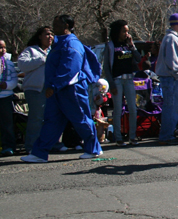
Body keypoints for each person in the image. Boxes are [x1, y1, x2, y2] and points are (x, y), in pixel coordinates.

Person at [21, 15, 104, 163]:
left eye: (56, 24)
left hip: (71, 89)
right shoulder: (60, 43)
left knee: (81, 119)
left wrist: (54, 86)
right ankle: (39, 153)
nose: (53, 28)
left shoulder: (72, 44)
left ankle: (93, 149)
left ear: (66, 25)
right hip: (59, 89)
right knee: (52, 121)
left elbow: (70, 67)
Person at [103, 19, 142, 146]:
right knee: (118, 109)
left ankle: (132, 136)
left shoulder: (128, 44)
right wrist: (111, 84)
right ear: (117, 31)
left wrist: (132, 45)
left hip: (129, 79)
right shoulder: (110, 46)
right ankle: (118, 137)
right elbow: (107, 67)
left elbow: (138, 58)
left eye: (127, 31)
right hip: (117, 81)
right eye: (124, 31)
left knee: (133, 108)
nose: (126, 33)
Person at [17, 26, 54, 153]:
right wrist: (42, 59)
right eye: (47, 34)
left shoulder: (53, 51)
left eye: (51, 34)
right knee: (36, 118)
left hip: (51, 89)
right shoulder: (31, 50)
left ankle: (49, 144)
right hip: (35, 89)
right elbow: (22, 65)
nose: (50, 37)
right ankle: (31, 146)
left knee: (50, 118)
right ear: (40, 36)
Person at [155, 14, 178, 145]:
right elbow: (172, 60)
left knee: (171, 106)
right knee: (172, 106)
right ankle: (166, 135)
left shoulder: (169, 38)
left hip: (169, 77)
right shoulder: (172, 38)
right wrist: (177, 73)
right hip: (171, 77)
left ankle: (168, 133)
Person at [0, 39, 19, 156]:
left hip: (5, 96)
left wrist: (7, 85)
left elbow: (14, 79)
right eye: (0, 47)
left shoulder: (9, 63)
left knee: (7, 123)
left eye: (4, 47)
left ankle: (8, 146)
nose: (2, 50)